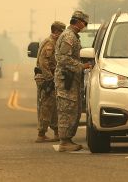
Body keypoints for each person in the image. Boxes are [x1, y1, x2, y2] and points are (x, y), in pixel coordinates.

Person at [54, 10, 91, 152]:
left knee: (73, 109)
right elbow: (63, 58)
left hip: (72, 78)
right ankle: (64, 141)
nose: (85, 26)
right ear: (78, 21)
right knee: (66, 109)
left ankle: (68, 139)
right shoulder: (69, 37)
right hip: (66, 79)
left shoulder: (73, 37)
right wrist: (81, 66)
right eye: (84, 23)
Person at [34, 21, 66, 143]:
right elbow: (44, 63)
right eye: (62, 31)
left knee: (55, 106)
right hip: (46, 79)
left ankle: (57, 132)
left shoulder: (55, 43)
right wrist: (50, 79)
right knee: (47, 106)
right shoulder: (50, 43)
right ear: (56, 31)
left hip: (51, 77)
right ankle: (41, 133)